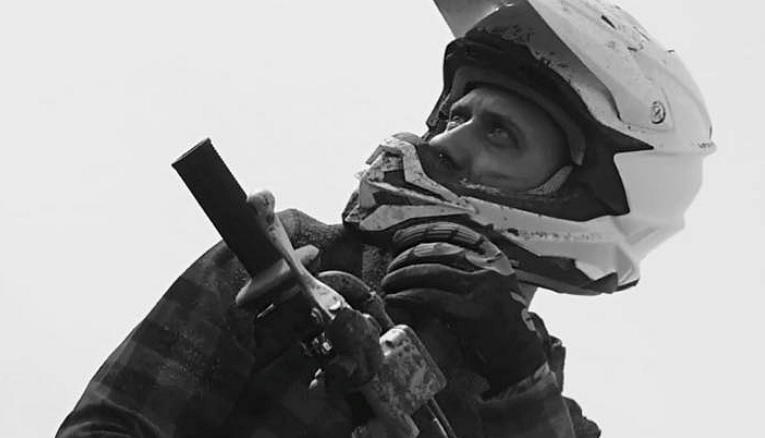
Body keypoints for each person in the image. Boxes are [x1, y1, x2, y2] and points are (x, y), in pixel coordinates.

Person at [56, 0, 714, 437]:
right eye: (455, 115)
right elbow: (108, 426)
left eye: (500, 133)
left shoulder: (545, 412)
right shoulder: (287, 256)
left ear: (578, 200)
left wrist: (515, 373)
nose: (447, 140)